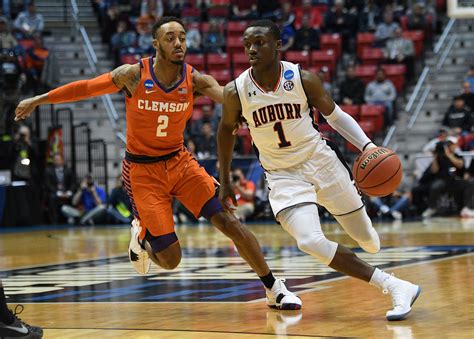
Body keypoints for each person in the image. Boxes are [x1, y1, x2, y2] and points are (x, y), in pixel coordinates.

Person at [14, 16, 301, 311]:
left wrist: (253, 111)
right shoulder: (132, 75)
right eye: (170, 38)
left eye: (182, 37)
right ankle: (141, 234)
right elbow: (85, 88)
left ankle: (273, 288)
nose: (178, 43)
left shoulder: (195, 79)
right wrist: (38, 99)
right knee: (170, 260)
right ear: (155, 44)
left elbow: (228, 98)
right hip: (142, 170)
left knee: (230, 222)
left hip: (179, 162)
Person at [218, 20, 421, 321]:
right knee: (309, 241)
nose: (251, 49)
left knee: (368, 241)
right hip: (282, 174)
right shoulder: (237, 91)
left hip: (321, 161)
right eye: (247, 43)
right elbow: (225, 132)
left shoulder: (302, 79)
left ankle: (370, 245)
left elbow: (336, 118)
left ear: (277, 45)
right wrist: (224, 180)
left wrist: (366, 147)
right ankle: (393, 285)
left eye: (259, 42)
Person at [44, 153, 74, 224]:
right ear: (53, 161)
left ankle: (72, 218)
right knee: (52, 197)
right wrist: (58, 193)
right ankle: (54, 221)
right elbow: (48, 184)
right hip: (55, 192)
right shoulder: (48, 171)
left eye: (59, 160)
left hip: (67, 192)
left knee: (75, 197)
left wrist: (69, 192)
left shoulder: (68, 170)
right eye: (55, 160)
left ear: (62, 161)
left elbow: (73, 183)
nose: (57, 161)